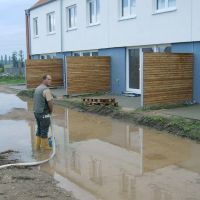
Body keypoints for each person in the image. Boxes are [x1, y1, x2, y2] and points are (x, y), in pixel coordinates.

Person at [33, 74, 53, 150]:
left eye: (50, 79)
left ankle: (37, 147)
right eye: (48, 79)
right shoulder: (46, 90)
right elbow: (50, 102)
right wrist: (50, 111)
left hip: (36, 112)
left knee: (39, 129)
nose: (50, 81)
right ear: (44, 79)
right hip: (43, 113)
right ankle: (46, 148)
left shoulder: (37, 88)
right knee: (44, 130)